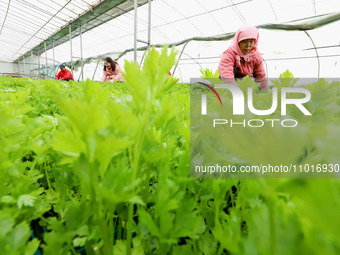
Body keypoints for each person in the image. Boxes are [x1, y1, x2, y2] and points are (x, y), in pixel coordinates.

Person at [218, 25, 268, 90]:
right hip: (230, 84)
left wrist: (266, 92)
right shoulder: (229, 54)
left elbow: (260, 77)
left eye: (251, 41)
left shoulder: (256, 55)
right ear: (238, 41)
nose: (248, 45)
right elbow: (227, 75)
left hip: (247, 85)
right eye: (244, 41)